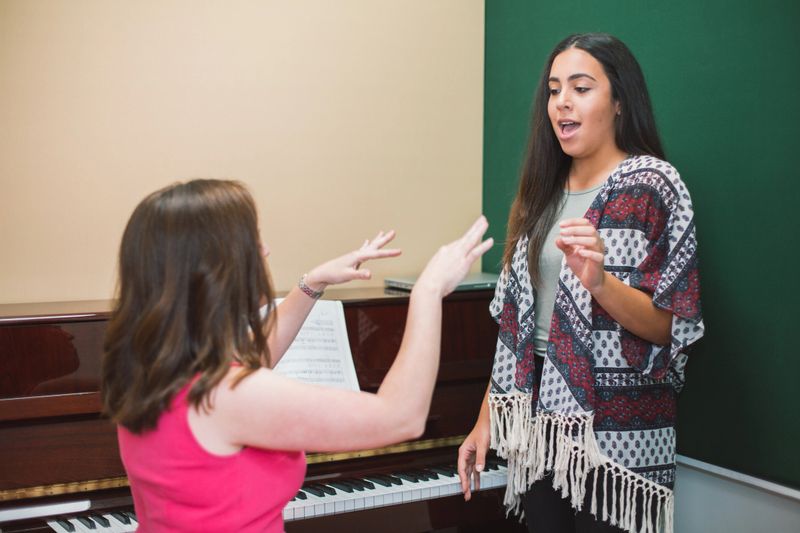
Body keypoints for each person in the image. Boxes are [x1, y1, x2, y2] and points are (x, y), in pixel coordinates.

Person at [101, 179, 492, 533]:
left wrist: (312, 283)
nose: (265, 250)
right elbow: (400, 418)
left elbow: (251, 360)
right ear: (216, 267)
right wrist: (427, 292)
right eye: (253, 242)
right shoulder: (228, 395)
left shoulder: (149, 368)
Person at [457, 33, 704, 533]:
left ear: (619, 101)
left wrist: (600, 283)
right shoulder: (539, 192)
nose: (562, 101)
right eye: (553, 89)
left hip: (619, 436)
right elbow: (515, 328)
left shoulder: (653, 186)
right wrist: (486, 417)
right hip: (537, 425)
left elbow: (668, 328)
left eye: (581, 87)